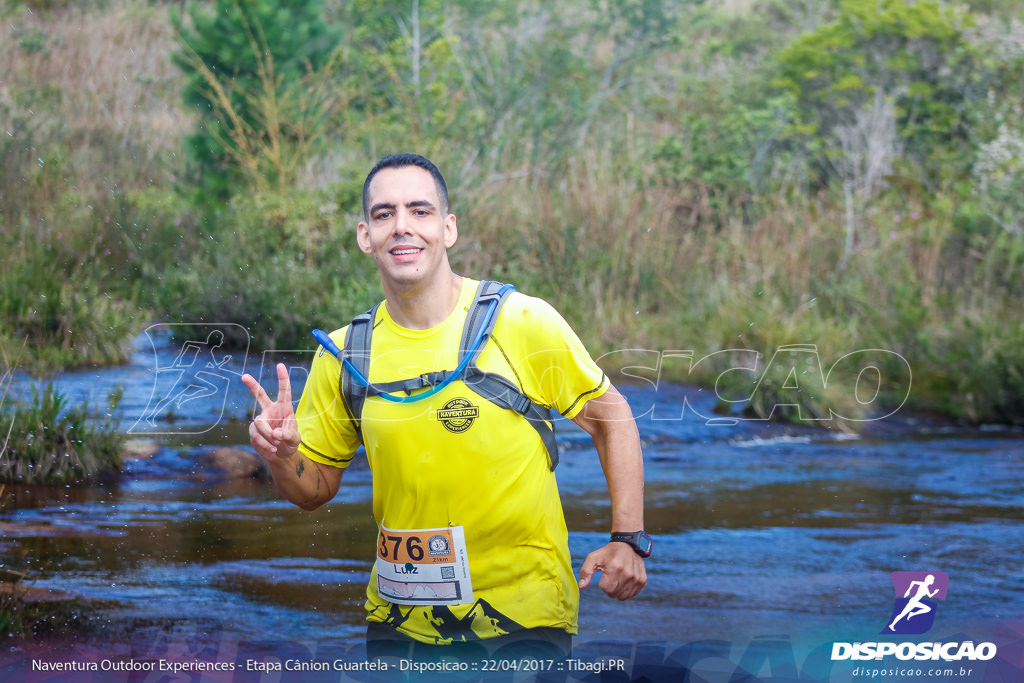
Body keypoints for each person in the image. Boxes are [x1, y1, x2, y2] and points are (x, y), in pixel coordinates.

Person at [241, 153, 648, 662]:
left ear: (448, 228)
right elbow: (314, 489)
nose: (402, 227)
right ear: (365, 236)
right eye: (385, 214)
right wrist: (280, 454)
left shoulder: (520, 322)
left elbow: (612, 416)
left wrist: (628, 538)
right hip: (398, 622)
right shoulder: (347, 355)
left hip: (522, 618)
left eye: (420, 210)